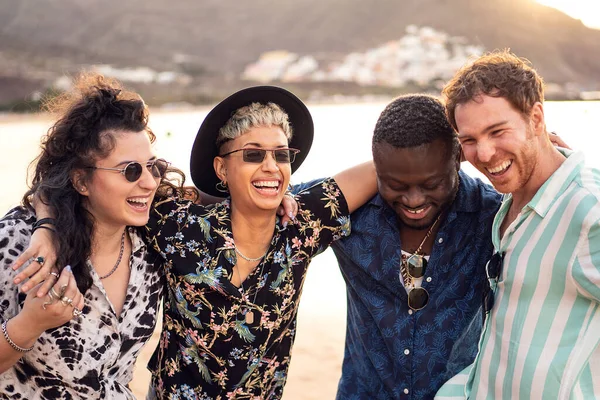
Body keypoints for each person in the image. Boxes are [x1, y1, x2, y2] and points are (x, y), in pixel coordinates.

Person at [18, 85, 377, 398]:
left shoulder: (303, 221)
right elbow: (66, 182)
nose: (271, 165)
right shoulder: (178, 224)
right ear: (222, 169)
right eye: (253, 155)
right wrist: (46, 228)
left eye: (281, 155)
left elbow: (388, 166)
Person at [0, 73, 188, 398]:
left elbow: (221, 202)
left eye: (152, 166)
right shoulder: (19, 243)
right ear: (81, 181)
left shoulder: (154, 243)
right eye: (130, 170)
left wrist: (277, 197)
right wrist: (29, 325)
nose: (148, 183)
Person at [436, 51, 600, 399]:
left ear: (536, 118)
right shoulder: (513, 201)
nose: (484, 153)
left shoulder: (587, 210)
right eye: (468, 140)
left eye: (497, 131)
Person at [325, 94, 502, 399]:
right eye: (396, 184)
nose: (414, 200)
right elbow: (265, 204)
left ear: (456, 160)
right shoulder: (349, 217)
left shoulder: (493, 215)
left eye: (431, 184)